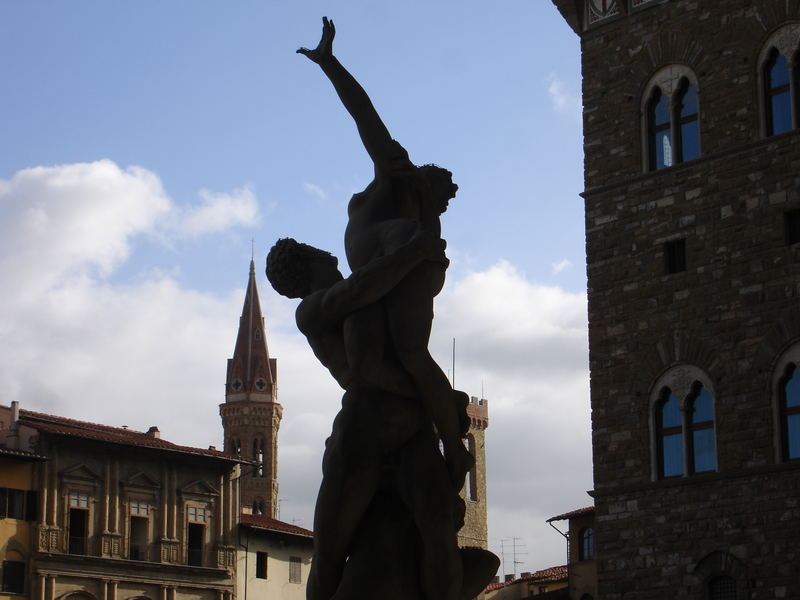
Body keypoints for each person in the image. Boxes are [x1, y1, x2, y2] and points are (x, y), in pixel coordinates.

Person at [297, 17, 473, 487]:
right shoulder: (395, 179)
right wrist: (330, 65)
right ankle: (446, 433)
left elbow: (427, 253)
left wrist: (330, 64)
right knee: (407, 356)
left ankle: (453, 444)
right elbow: (365, 117)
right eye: (442, 193)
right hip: (404, 272)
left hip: (408, 269)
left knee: (412, 355)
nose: (441, 203)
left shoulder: (409, 213)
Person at [266, 232, 468, 600]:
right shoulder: (313, 308)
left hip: (398, 427)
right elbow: (361, 290)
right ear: (312, 258)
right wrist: (413, 247)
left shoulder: (367, 297)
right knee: (330, 550)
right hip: (366, 430)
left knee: (438, 532)